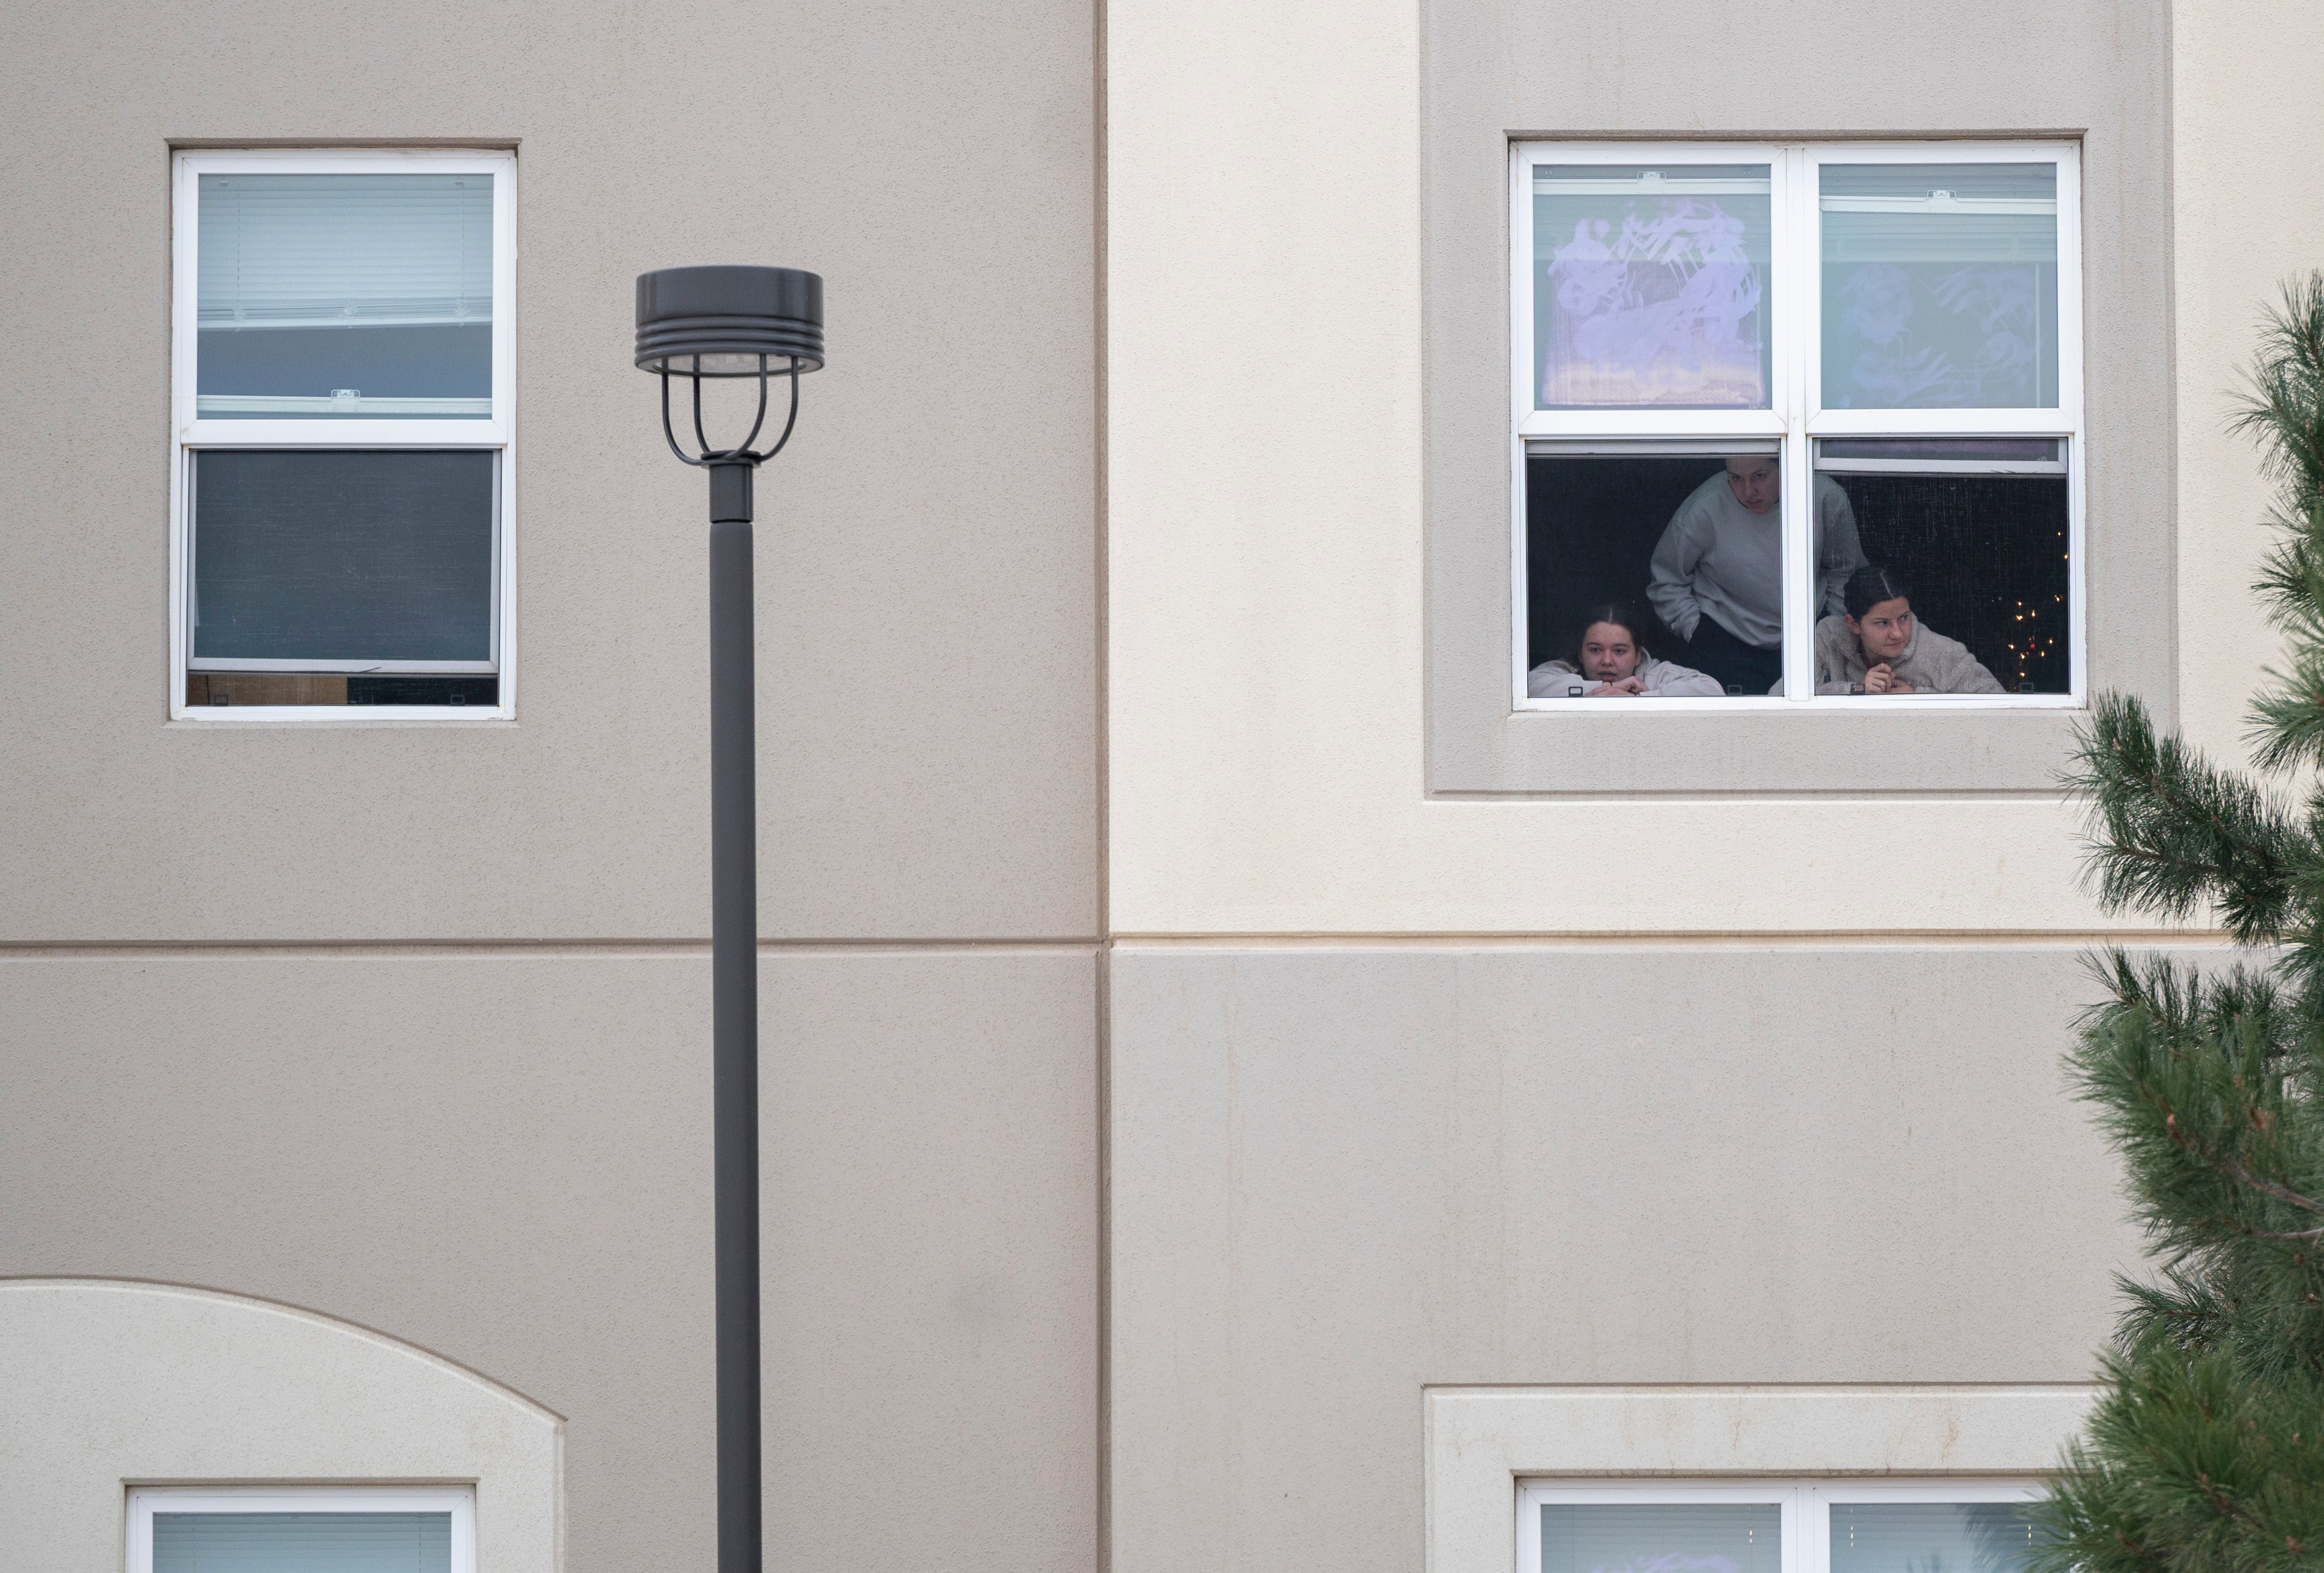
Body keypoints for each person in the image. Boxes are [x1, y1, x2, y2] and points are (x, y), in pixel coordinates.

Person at [1645, 454, 1865, 694]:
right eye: (1736, 479)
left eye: (1759, 476)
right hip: (1725, 640)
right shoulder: (1704, 508)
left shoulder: (1824, 497)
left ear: (1786, 466)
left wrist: (1829, 627)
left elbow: (1846, 571)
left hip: (1808, 638)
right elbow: (1667, 581)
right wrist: (1698, 632)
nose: (1749, 491)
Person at [1814, 565, 2004, 695]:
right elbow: (1787, 699)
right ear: (1853, 624)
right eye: (1883, 623)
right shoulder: (1829, 637)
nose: (1897, 633)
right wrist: (1857, 689)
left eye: (1904, 618)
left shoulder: (1942, 653)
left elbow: (1999, 703)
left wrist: (1916, 697)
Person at [1527, 602, 1723, 698]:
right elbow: (1528, 688)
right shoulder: (1568, 668)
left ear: (1638, 655)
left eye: (1619, 651)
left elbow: (1712, 691)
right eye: (1595, 650)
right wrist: (1608, 691)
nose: (1607, 660)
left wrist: (1639, 698)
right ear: (1580, 653)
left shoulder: (1655, 673)